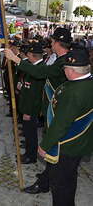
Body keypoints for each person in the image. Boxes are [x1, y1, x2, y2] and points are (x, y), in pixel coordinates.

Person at [5, 27, 72, 194]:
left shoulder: (64, 61)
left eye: (52, 40)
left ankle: (47, 182)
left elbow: (41, 72)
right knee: (55, 153)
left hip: (59, 111)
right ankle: (45, 180)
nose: (50, 43)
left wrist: (15, 59)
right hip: (54, 109)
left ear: (57, 43)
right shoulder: (62, 59)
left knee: (55, 150)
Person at [38, 49, 93, 206]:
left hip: (66, 146)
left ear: (71, 70)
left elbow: (61, 124)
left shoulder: (74, 92)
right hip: (80, 143)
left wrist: (45, 145)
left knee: (60, 186)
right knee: (69, 181)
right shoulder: (87, 83)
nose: (64, 71)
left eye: (65, 68)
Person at [18, 42, 45, 164]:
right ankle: (28, 153)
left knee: (31, 134)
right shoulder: (33, 67)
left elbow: (35, 95)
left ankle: (31, 156)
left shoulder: (39, 70)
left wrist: (28, 112)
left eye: (28, 54)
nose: (27, 55)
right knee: (28, 133)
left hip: (31, 110)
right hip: (27, 107)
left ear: (33, 55)